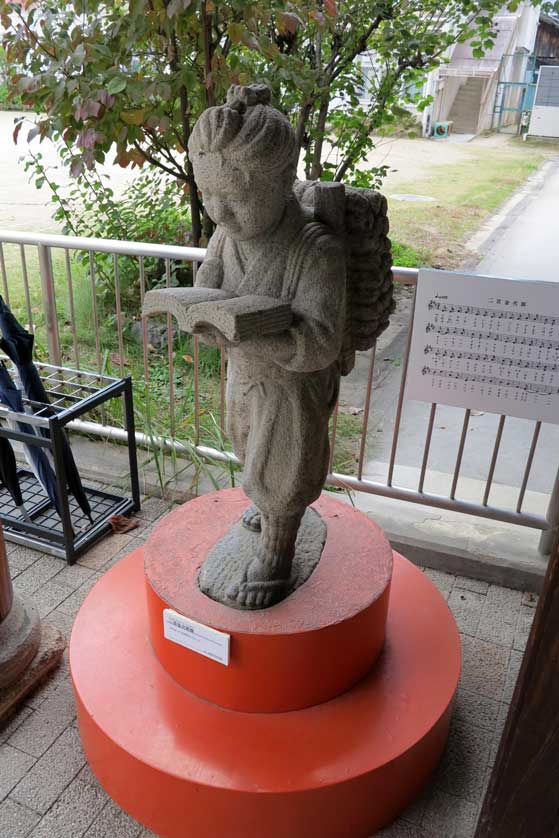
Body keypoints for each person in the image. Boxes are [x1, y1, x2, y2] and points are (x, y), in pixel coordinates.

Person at [188, 84, 346, 608]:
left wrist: (265, 332)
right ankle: (268, 506)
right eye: (210, 196)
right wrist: (200, 312)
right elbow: (210, 282)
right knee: (248, 448)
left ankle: (278, 555)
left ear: (281, 184)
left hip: (290, 386)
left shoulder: (313, 250)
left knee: (283, 465)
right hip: (243, 374)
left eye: (235, 198)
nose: (221, 212)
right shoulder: (225, 237)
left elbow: (322, 339)